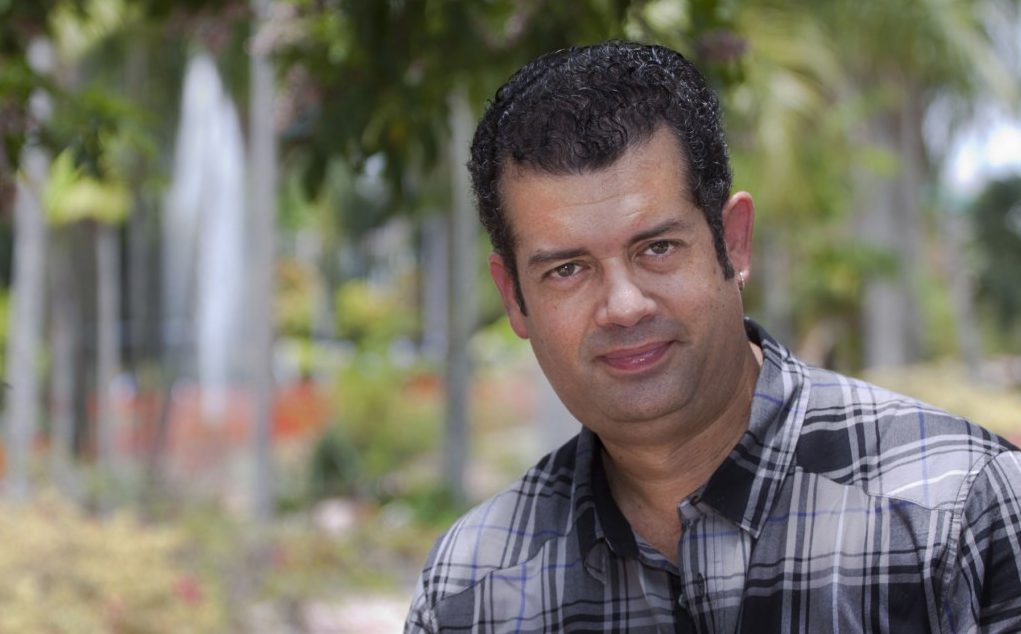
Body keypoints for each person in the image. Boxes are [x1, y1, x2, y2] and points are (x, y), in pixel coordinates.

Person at [404, 40, 1021, 633]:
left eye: (658, 248)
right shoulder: (472, 590)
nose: (624, 307)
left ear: (734, 242)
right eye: (567, 269)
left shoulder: (956, 510)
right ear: (514, 297)